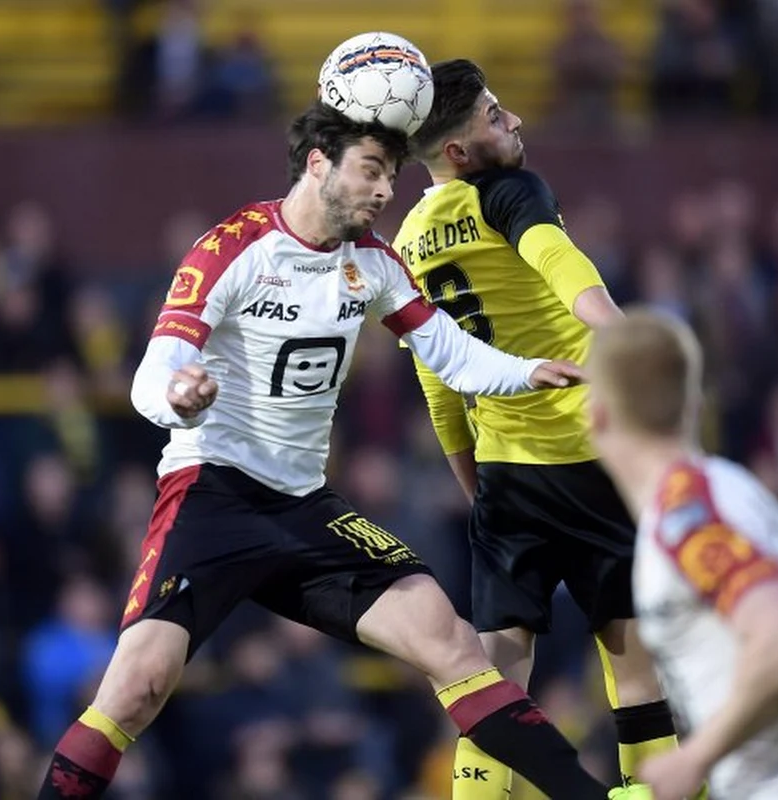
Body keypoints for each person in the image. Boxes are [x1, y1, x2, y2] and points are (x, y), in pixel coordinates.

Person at [35, 103, 632, 800]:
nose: (385, 191)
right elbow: (150, 375)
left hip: (305, 507)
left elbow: (451, 355)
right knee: (134, 690)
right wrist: (179, 395)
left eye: (393, 175)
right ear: (319, 162)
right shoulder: (232, 246)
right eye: (372, 171)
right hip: (212, 496)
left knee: (452, 640)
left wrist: (527, 370)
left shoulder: (375, 264)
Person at [394, 58, 683, 799]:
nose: (513, 121)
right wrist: (620, 333)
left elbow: (437, 382)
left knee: (493, 676)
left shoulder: (408, 241)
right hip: (590, 456)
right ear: (458, 151)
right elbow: (560, 264)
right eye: (494, 115)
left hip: (506, 473)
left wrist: (478, 484)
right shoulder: (511, 193)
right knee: (633, 661)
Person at [586, 309, 778, 800]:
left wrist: (695, 757)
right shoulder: (738, 493)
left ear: (596, 415)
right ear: (695, 405)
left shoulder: (686, 516)